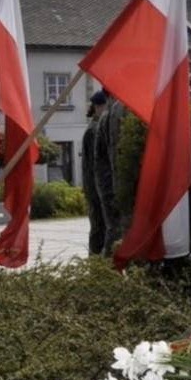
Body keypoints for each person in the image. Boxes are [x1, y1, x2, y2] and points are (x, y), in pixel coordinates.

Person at [93, 95, 127, 255]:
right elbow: (113, 155)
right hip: (112, 185)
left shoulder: (110, 114)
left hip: (110, 184)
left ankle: (107, 264)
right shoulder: (113, 114)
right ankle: (108, 265)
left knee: (114, 230)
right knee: (115, 230)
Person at [81, 90, 107, 256]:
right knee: (99, 227)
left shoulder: (97, 127)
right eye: (105, 106)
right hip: (95, 187)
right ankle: (95, 262)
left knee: (101, 226)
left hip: (96, 186)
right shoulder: (94, 130)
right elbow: (95, 164)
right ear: (97, 107)